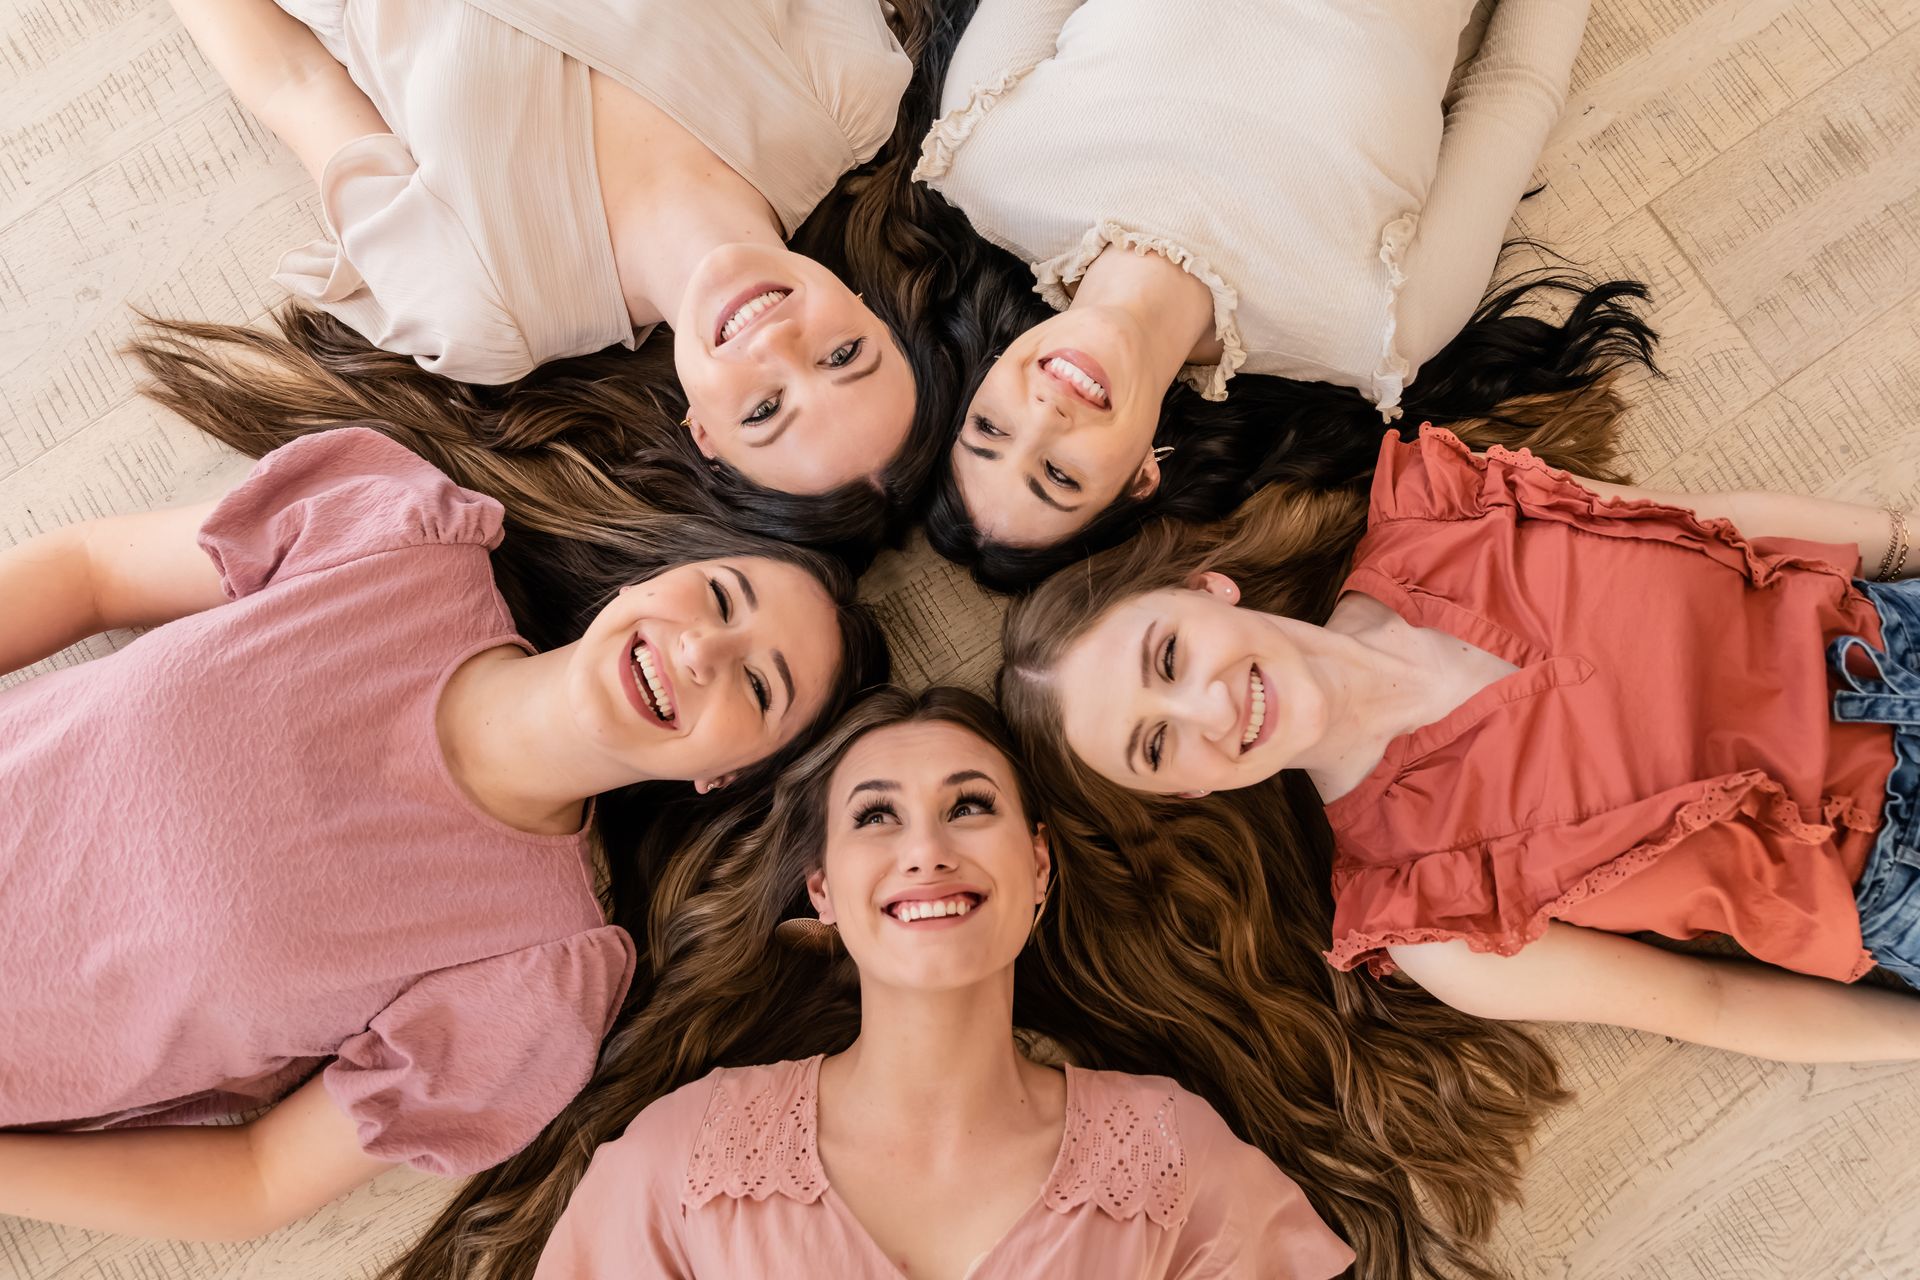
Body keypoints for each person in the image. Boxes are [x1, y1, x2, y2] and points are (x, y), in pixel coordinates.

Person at [0, 427, 887, 1241]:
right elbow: (90, 571)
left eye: (759, 687)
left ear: (725, 777)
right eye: (721, 598)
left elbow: (254, 1181)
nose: (701, 652)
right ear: (647, 580)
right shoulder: (398, 536)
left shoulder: (533, 979)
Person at [390, 688, 1567, 1280]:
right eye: (876, 817)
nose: (926, 847)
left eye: (970, 804)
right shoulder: (684, 1158)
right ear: (823, 891)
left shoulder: (1169, 1154)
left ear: (1038, 865)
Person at [1000, 419, 1920, 1066]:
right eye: (1155, 747)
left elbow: (1711, 524)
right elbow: (1712, 1004)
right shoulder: (1427, 912)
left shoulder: (1445, 514)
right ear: (1179, 795)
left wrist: (1904, 537)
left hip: (1888, 633)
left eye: (1169, 654)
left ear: (1206, 590)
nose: (1204, 709)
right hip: (1891, 869)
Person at [143, 0, 975, 555]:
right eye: (842, 358)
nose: (780, 345)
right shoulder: (842, 100)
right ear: (869, 312)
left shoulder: (488, 311)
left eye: (764, 410)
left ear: (706, 436)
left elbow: (295, 81)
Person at [913, 0, 1650, 589]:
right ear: (1143, 476)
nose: (1042, 419)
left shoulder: (986, 159)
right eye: (1060, 475)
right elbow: (1514, 88)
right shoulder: (1373, 329)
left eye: (992, 430)